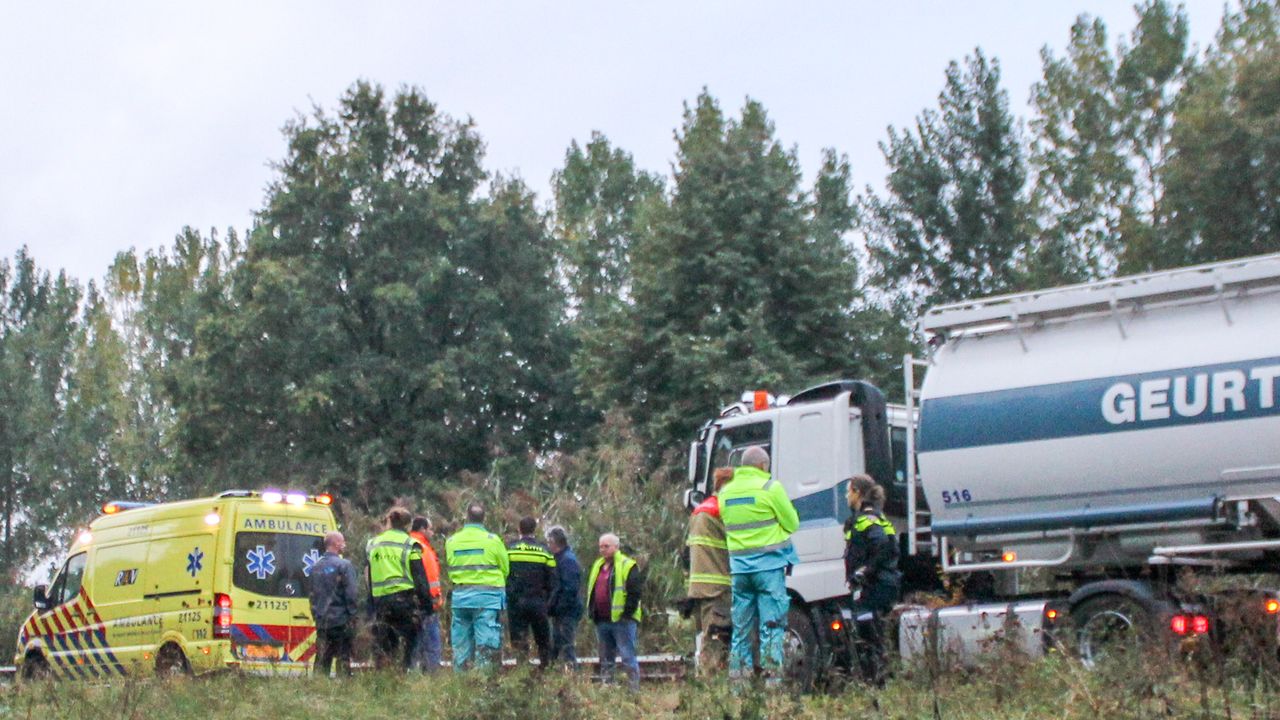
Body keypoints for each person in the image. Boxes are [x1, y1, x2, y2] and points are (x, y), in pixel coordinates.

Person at [719, 446, 799, 684]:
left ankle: (738, 687)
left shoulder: (726, 492)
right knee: (771, 627)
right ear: (763, 466)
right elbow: (792, 523)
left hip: (740, 571)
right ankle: (772, 685)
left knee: (741, 631)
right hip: (769, 570)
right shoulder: (770, 488)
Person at [844, 474, 901, 686]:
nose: (846, 496)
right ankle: (875, 681)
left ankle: (876, 684)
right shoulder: (874, 516)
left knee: (869, 635)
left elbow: (883, 545)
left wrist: (865, 571)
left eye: (849, 491)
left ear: (857, 492)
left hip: (874, 587)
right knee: (870, 634)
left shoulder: (867, 519)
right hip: (879, 585)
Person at [366, 507, 433, 670]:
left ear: (389, 521)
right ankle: (403, 675)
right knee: (407, 649)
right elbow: (420, 578)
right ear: (409, 525)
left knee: (385, 648)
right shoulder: (411, 544)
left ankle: (385, 682)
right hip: (404, 603)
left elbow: (368, 576)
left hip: (380, 603)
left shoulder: (373, 544)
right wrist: (427, 605)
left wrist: (371, 605)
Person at [445, 503, 509, 670]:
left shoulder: (451, 541)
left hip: (460, 600)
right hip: (487, 601)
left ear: (466, 517)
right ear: (484, 518)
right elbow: (505, 569)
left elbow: (450, 568)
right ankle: (483, 687)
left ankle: (460, 686)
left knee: (460, 647)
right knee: (486, 647)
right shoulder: (493, 541)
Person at [686, 467, 733, 674]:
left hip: (701, 587)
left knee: (710, 636)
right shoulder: (721, 510)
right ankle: (711, 689)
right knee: (716, 638)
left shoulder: (701, 510)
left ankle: (710, 685)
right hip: (718, 587)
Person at [587, 532, 643, 690]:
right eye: (600, 547)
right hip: (603, 620)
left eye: (606, 546)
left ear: (616, 547)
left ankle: (634, 689)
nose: (602, 550)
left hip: (622, 621)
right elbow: (592, 590)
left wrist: (626, 614)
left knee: (627, 656)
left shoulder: (627, 565)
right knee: (605, 657)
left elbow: (635, 592)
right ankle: (608, 686)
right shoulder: (598, 565)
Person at [506, 516, 558, 669]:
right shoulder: (545, 550)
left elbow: (503, 573)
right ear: (534, 530)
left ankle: (522, 670)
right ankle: (545, 668)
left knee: (519, 639)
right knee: (542, 638)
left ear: (519, 529)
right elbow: (553, 579)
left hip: (516, 602)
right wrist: (548, 599)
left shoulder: (509, 548)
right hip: (538, 601)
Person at [309, 531, 359, 678]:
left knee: (322, 659)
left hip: (322, 621)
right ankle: (343, 690)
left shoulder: (315, 567)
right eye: (342, 541)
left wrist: (316, 615)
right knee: (343, 659)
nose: (344, 544)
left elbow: (312, 596)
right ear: (336, 543)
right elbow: (351, 594)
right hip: (341, 621)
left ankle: (318, 688)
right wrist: (353, 615)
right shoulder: (344, 565)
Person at [408, 515, 445, 673]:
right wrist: (431, 601)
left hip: (415, 602)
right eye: (430, 529)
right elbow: (426, 578)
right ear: (422, 529)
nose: (432, 533)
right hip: (427, 603)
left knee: (415, 645)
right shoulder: (420, 547)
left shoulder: (411, 544)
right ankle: (431, 677)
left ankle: (415, 677)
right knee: (431, 645)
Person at [545, 525, 583, 667]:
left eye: (549, 542)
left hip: (567, 611)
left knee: (566, 645)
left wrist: (558, 606)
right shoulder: (561, 559)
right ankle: (555, 673)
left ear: (554, 542)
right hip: (561, 611)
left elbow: (570, 588)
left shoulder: (567, 560)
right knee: (557, 644)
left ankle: (571, 674)